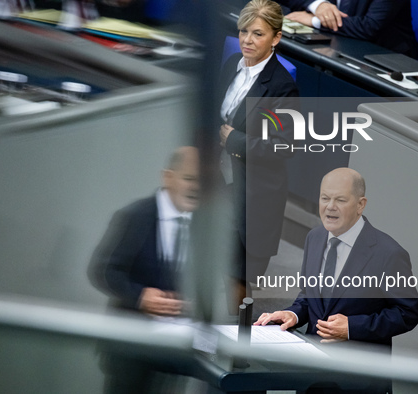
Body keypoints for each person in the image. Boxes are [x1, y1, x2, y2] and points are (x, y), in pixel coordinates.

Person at [255, 168, 418, 348]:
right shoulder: (314, 237)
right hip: (311, 359)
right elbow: (309, 295)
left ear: (360, 205)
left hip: (356, 367)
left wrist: (352, 327)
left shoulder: (389, 253)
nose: (330, 206)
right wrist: (293, 314)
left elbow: (407, 313)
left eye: (340, 200)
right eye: (325, 198)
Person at [88, 146, 199, 393]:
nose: (196, 188)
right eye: (189, 179)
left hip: (176, 348)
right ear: (167, 177)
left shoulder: (206, 223)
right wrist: (140, 296)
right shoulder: (135, 216)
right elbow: (103, 270)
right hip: (129, 348)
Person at [219, 0, 299, 302]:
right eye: (243, 32)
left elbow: (285, 145)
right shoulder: (231, 66)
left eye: (257, 34)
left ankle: (237, 344)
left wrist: (234, 141)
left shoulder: (281, 87)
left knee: (236, 278)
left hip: (253, 191)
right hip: (219, 179)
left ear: (276, 38)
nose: (247, 41)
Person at [281, 0, 418, 58]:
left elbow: (369, 26)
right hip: (336, 42)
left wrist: (314, 20)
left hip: (382, 55)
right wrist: (317, 4)